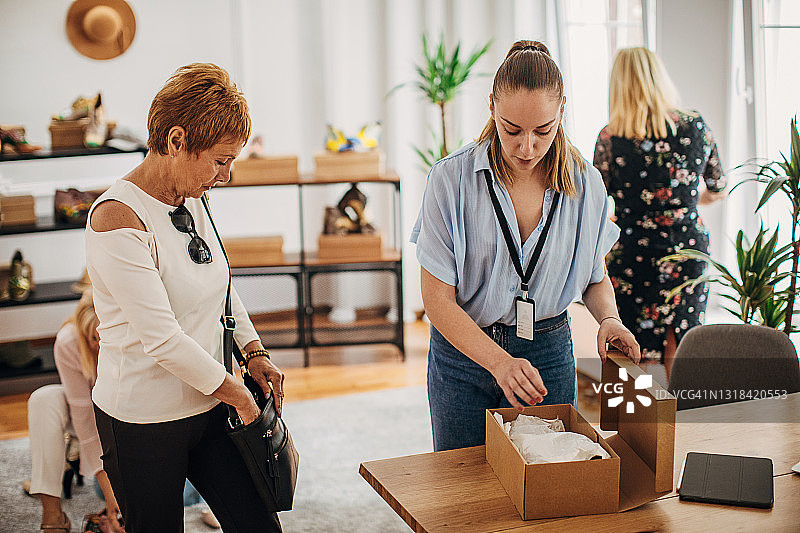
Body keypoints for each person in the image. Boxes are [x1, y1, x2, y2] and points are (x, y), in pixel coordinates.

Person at [411, 40, 640, 452]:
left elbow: (595, 278)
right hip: (463, 357)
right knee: (464, 490)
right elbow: (438, 301)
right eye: (511, 129)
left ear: (563, 110)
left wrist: (609, 318)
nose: (527, 148)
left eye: (543, 131)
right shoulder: (450, 180)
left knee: (548, 485)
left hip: (548, 352)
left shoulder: (587, 185)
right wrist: (498, 362)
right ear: (492, 108)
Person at [85, 63, 285, 532]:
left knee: (259, 524)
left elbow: (222, 286)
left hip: (211, 401)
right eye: (220, 161)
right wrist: (241, 396)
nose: (227, 176)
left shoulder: (194, 195)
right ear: (176, 141)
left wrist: (252, 351)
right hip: (142, 418)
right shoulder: (118, 218)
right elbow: (162, 339)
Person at [593, 47, 726, 378]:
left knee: (632, 350)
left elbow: (596, 202)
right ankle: (683, 424)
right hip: (688, 251)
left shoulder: (610, 138)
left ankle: (636, 426)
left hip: (634, 253)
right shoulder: (696, 125)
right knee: (682, 342)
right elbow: (718, 187)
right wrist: (685, 202)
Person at [27, 289, 124, 533]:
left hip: (126, 423)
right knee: (43, 400)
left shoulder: (130, 338)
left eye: (104, 338)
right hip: (88, 415)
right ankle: (52, 515)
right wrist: (111, 494)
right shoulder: (69, 341)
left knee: (178, 495)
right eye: (94, 340)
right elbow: (85, 420)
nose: (100, 348)